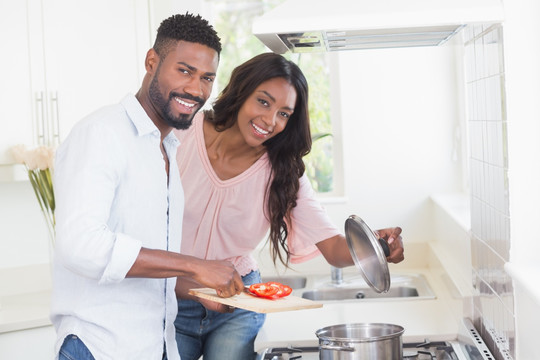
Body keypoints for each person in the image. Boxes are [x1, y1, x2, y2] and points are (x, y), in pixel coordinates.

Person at [172, 52, 405, 360]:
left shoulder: (282, 172)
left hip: (238, 299)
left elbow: (334, 249)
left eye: (284, 114)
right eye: (264, 102)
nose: (270, 121)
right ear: (242, 92)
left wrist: (376, 246)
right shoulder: (180, 133)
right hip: (170, 294)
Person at [51, 13, 245, 360]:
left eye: (207, 78)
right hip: (97, 347)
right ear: (151, 61)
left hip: (155, 347)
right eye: (184, 71)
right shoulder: (101, 134)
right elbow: (79, 245)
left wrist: (198, 290)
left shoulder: (168, 148)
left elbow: (143, 268)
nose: (195, 90)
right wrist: (193, 264)